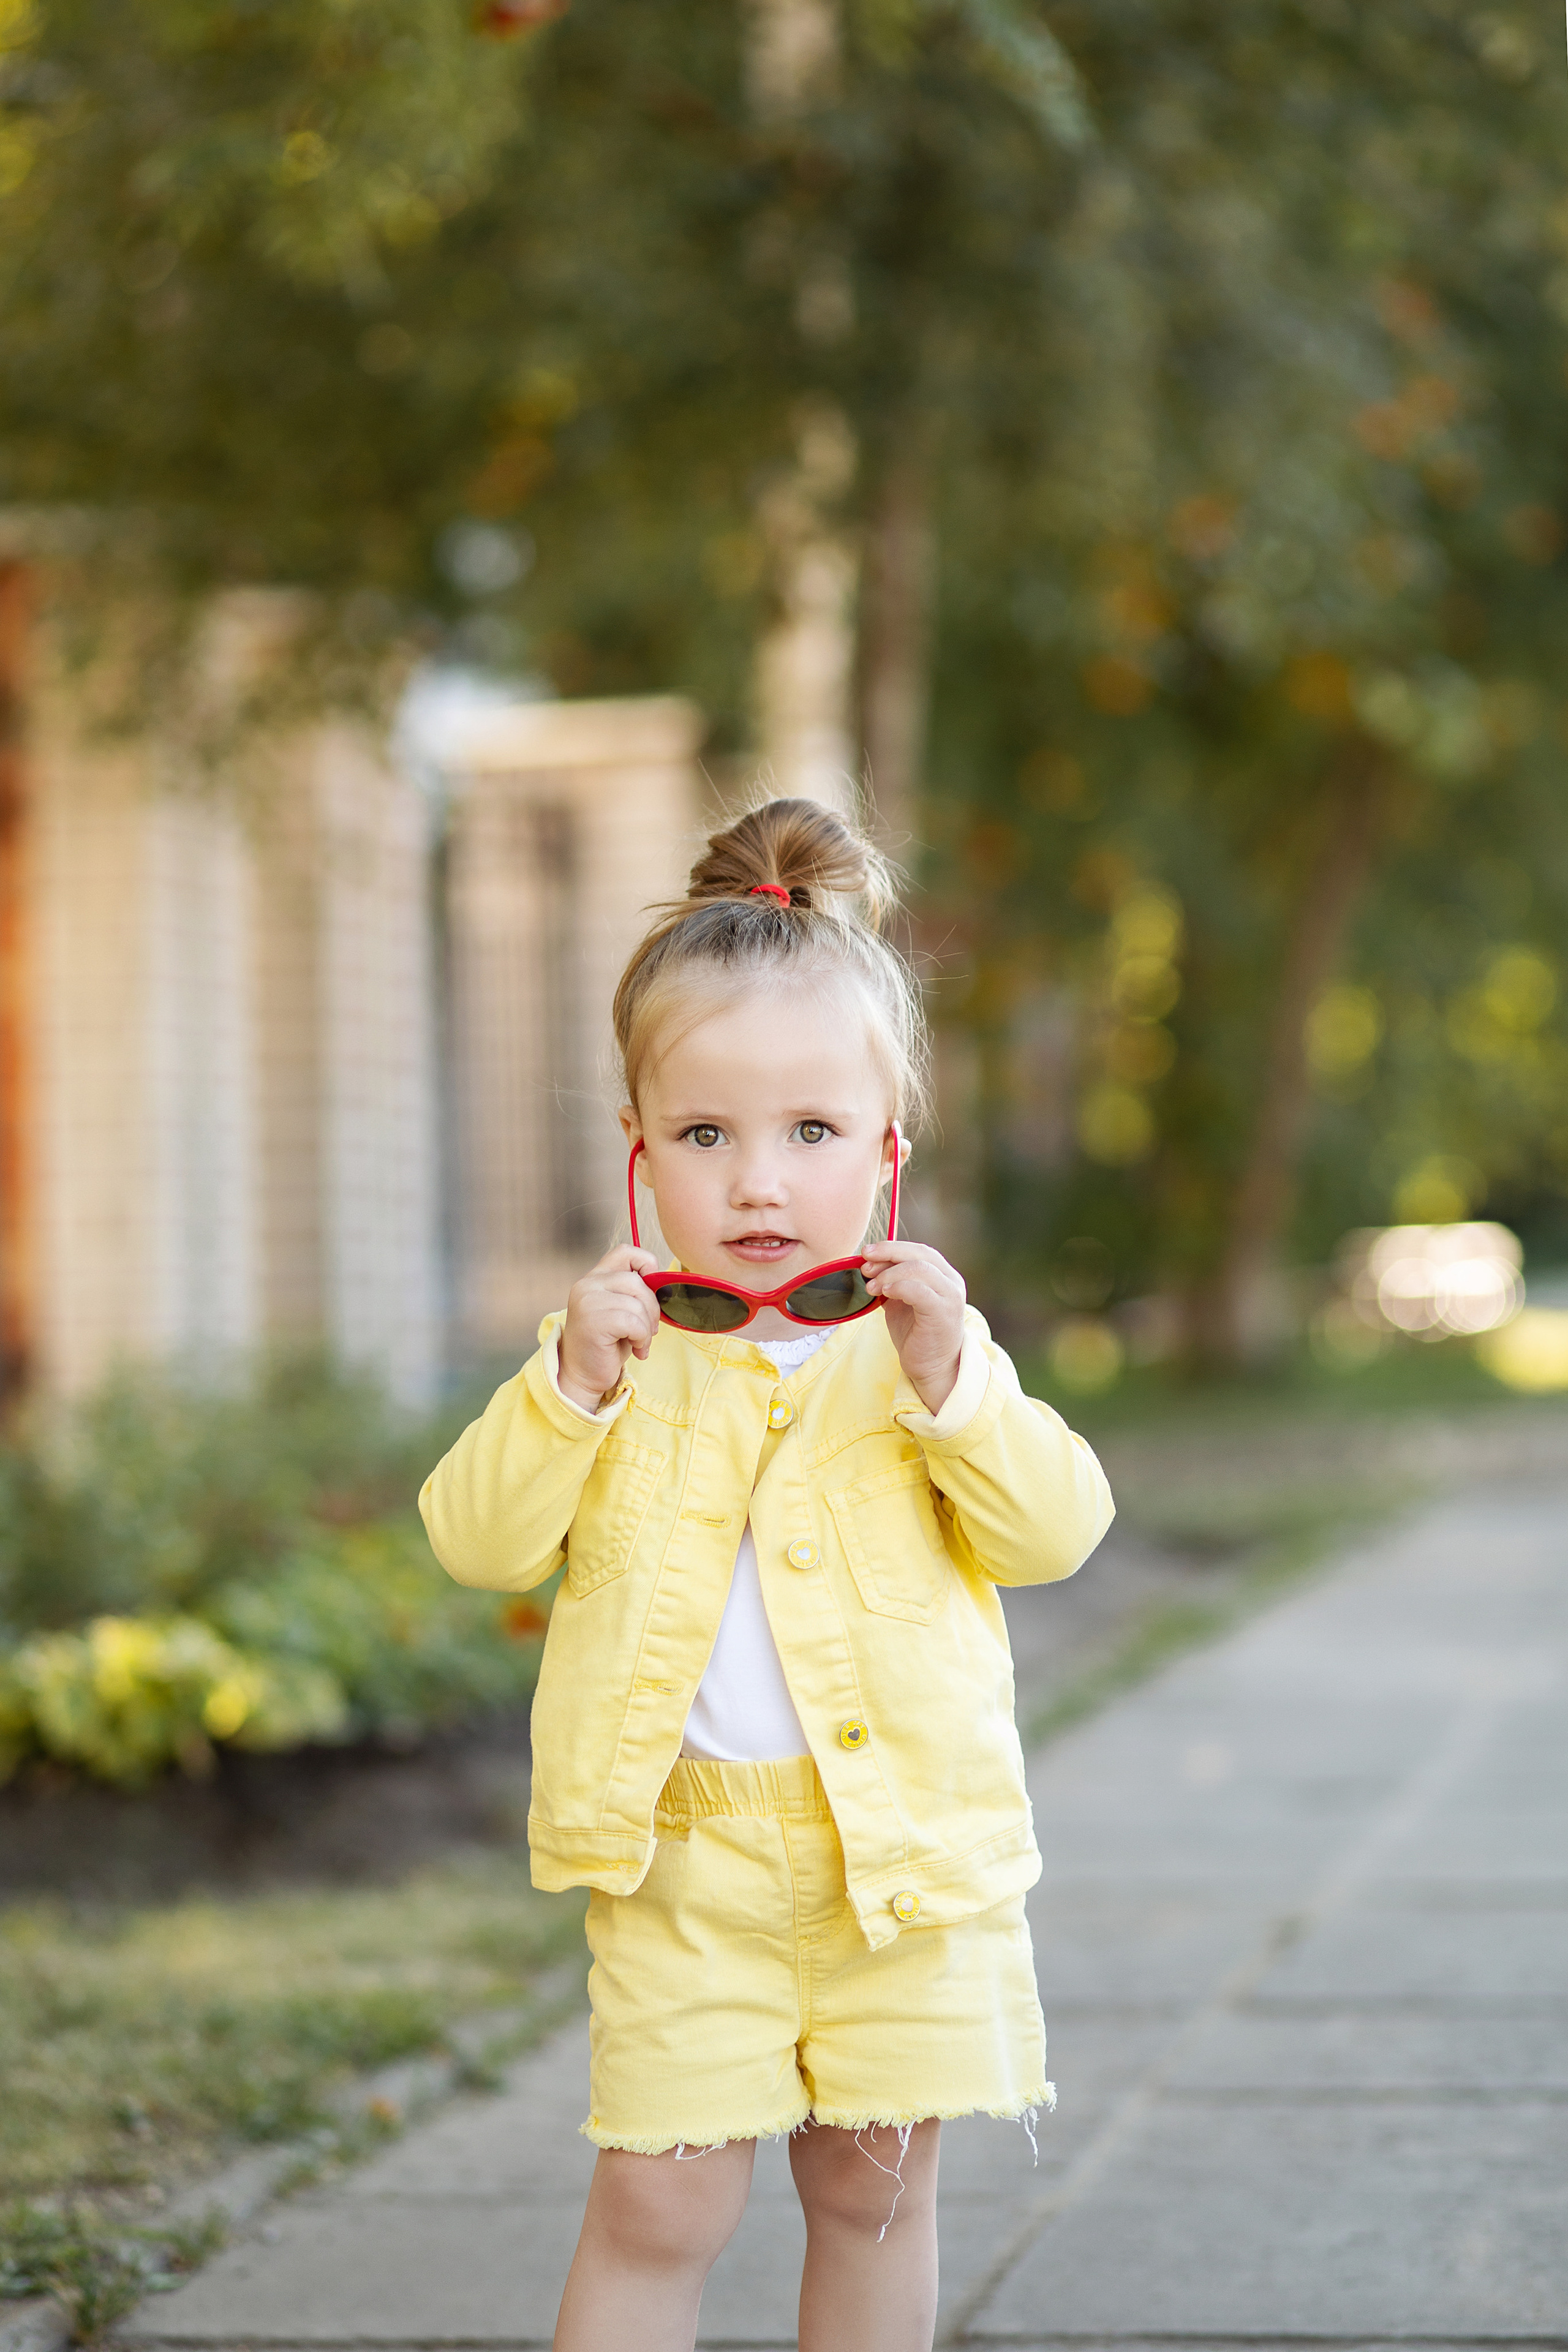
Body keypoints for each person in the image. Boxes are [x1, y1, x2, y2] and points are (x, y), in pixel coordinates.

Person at [420, 796, 1115, 2352]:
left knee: (872, 2197)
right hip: (686, 1868)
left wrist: (961, 1391)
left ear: (884, 1154)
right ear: (639, 1153)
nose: (754, 1184)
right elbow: (473, 1540)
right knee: (660, 2205)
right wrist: (564, 1397)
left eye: (809, 1135)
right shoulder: (605, 1355)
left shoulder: (921, 1356)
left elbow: (1055, 1531)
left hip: (905, 1867)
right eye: (705, 1136)